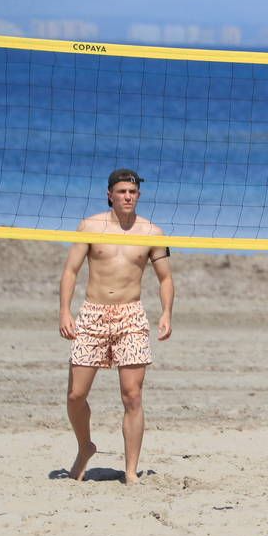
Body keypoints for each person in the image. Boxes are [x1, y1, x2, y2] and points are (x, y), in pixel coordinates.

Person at [59, 168, 174, 485]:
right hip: (93, 313)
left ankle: (130, 470)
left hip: (131, 316)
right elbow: (70, 271)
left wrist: (166, 313)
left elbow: (165, 278)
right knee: (75, 395)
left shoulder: (152, 232)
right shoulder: (91, 225)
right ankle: (86, 447)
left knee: (132, 396)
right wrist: (64, 312)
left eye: (133, 192)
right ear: (110, 194)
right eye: (122, 191)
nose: (127, 196)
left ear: (139, 196)